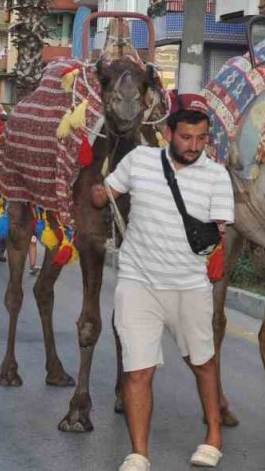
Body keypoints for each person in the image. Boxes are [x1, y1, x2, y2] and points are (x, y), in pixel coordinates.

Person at [91, 94, 233, 471]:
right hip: (138, 282)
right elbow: (107, 192)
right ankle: (138, 452)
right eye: (186, 138)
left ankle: (213, 436)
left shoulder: (216, 176)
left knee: (202, 362)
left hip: (189, 286)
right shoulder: (139, 161)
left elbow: (217, 232)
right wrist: (99, 193)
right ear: (168, 133)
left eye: (201, 139)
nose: (194, 146)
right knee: (137, 370)